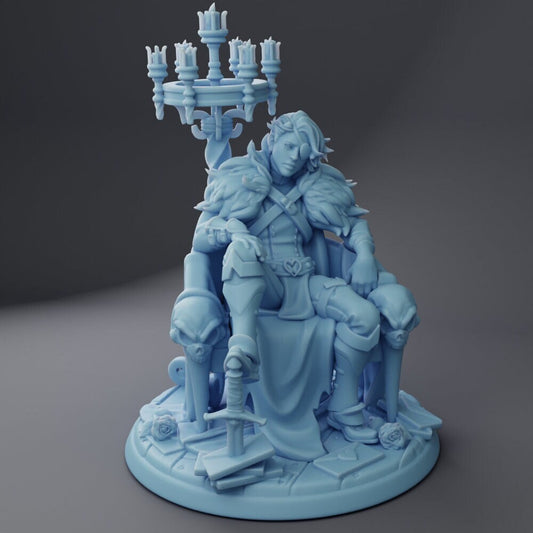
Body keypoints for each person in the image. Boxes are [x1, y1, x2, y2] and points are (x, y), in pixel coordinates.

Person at [189, 111, 382, 443]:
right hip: (262, 284)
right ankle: (244, 348)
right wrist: (232, 231)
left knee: (364, 317)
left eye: (302, 153)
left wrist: (364, 255)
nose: (294, 158)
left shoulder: (314, 188)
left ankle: (344, 404)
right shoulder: (241, 179)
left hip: (305, 282)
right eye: (289, 147)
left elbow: (353, 225)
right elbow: (201, 237)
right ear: (273, 139)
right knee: (241, 252)